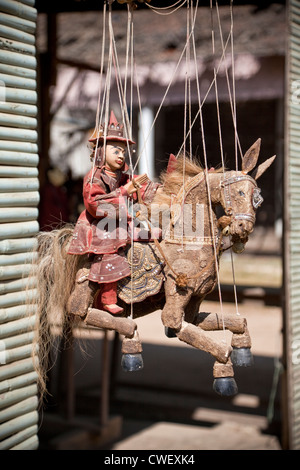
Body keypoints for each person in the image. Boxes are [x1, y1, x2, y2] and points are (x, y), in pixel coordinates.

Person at [67, 110, 161, 315]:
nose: (121, 155)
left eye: (123, 152)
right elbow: (94, 203)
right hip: (98, 224)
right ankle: (107, 298)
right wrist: (124, 192)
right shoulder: (94, 177)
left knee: (155, 234)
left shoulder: (121, 176)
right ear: (101, 151)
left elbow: (140, 188)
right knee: (110, 246)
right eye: (115, 151)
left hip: (120, 222)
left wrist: (157, 190)